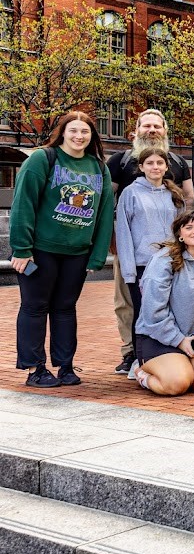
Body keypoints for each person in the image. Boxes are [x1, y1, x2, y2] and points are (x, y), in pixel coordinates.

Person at [10, 112, 113, 388]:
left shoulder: (99, 168)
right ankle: (35, 369)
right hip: (41, 251)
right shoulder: (42, 160)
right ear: (62, 132)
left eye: (85, 132)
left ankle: (65, 366)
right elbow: (23, 204)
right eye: (73, 131)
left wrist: (97, 254)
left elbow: (104, 215)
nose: (79, 136)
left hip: (76, 253)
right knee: (34, 307)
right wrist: (21, 249)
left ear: (92, 136)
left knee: (65, 308)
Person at [107, 108, 194, 377]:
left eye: (157, 126)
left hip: (170, 254)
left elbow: (189, 200)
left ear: (165, 130)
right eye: (147, 126)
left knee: (170, 301)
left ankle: (166, 348)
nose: (152, 130)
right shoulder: (120, 162)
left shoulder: (178, 162)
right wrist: (111, 241)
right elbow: (107, 203)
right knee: (128, 303)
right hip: (131, 248)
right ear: (136, 129)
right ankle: (131, 352)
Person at [131, 209, 194, 396]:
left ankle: (183, 365)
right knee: (177, 383)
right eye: (189, 227)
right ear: (180, 234)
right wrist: (178, 340)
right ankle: (142, 373)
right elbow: (153, 310)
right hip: (160, 337)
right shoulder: (163, 260)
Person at [114, 147, 187, 359]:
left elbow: (182, 230)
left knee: (169, 311)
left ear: (166, 167)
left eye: (159, 163)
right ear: (141, 167)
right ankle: (139, 358)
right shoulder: (130, 193)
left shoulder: (174, 195)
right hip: (141, 265)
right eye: (150, 163)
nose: (155, 167)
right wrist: (129, 271)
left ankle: (168, 354)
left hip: (169, 263)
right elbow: (124, 233)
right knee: (143, 313)